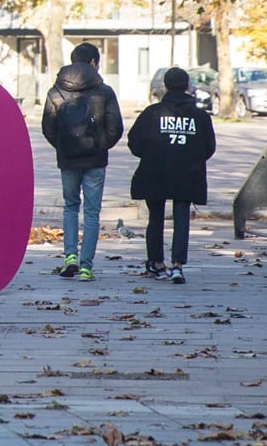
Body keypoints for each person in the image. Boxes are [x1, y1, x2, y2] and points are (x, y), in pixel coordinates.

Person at [39, 42, 124, 280]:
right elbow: (115, 127)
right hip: (95, 159)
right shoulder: (104, 91)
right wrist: (100, 145)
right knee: (92, 211)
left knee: (70, 206)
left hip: (68, 160)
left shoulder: (56, 90)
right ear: (94, 63)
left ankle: (69, 257)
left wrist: (64, 146)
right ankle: (86, 266)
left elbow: (48, 127)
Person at [126, 65, 216, 283]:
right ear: (187, 86)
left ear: (165, 86)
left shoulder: (151, 113)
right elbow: (209, 147)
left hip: (154, 171)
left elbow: (134, 142)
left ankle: (157, 263)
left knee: (155, 217)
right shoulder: (200, 116)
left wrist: (149, 153)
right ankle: (177, 265)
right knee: (182, 217)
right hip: (187, 173)